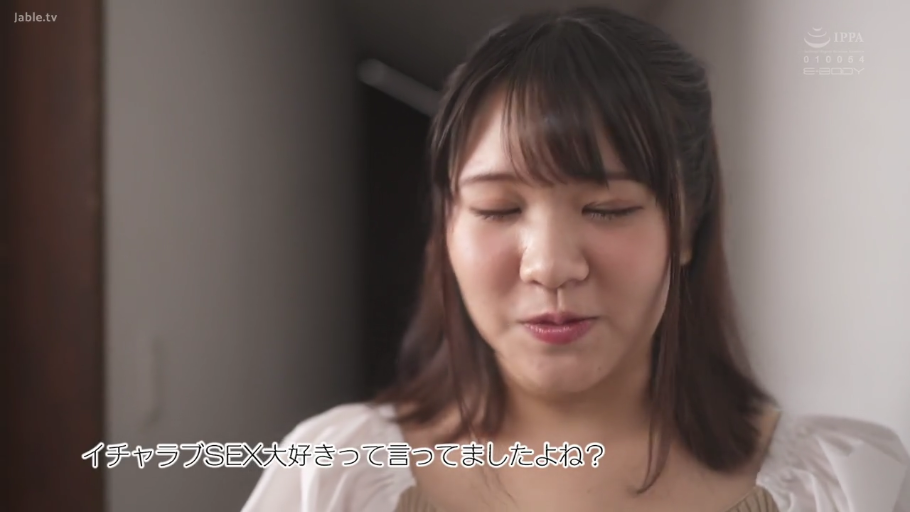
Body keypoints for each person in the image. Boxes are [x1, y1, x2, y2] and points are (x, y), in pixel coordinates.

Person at [241, 6, 910, 512]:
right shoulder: (331, 476)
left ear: (686, 227)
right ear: (446, 231)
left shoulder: (847, 485)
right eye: (499, 209)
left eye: (608, 209)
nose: (551, 266)